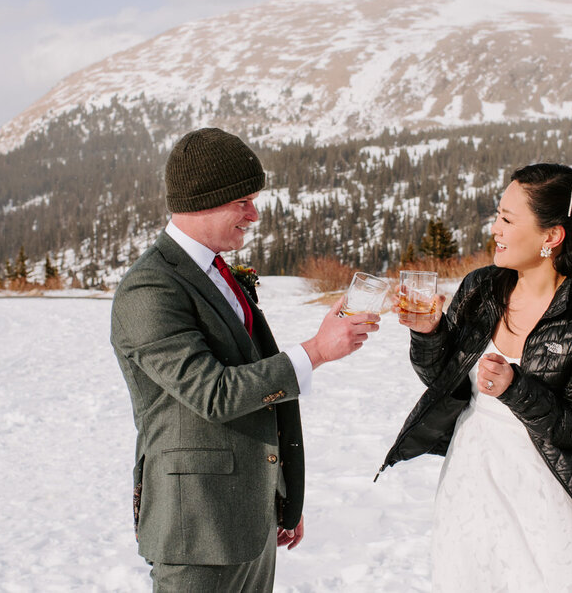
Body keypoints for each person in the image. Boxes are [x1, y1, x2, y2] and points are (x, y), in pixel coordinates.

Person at [111, 128, 380, 592]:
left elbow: (256, 377)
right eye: (244, 202)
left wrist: (282, 498)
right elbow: (213, 394)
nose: (254, 215)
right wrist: (317, 351)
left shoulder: (216, 272)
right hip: (196, 528)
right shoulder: (150, 288)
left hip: (250, 521)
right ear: (204, 201)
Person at [379, 163, 572, 592]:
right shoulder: (481, 288)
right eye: (498, 214)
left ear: (551, 237)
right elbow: (444, 381)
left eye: (507, 219)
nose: (494, 227)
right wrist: (429, 334)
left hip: (547, 488)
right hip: (471, 476)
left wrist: (516, 389)